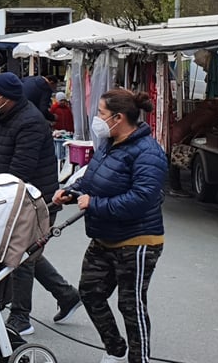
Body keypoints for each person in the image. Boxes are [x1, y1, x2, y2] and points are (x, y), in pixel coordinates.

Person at [53, 89, 167, 363]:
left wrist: (94, 204)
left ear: (118, 117)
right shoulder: (109, 142)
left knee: (131, 305)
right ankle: (115, 350)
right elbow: (93, 178)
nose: (97, 119)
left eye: (101, 114)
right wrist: (71, 192)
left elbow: (141, 199)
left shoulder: (148, 152)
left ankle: (139, 359)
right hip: (104, 237)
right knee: (90, 293)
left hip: (138, 241)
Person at [0, 72, 81, 337]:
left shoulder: (31, 123)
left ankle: (20, 317)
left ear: (8, 98)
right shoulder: (3, 116)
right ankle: (67, 294)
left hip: (36, 200)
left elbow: (21, 170)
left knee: (21, 255)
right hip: (13, 196)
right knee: (28, 252)